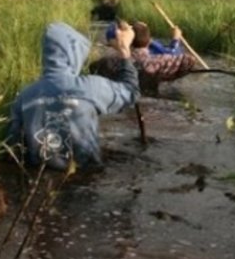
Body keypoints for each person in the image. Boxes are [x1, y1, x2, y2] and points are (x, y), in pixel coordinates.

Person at [8, 21, 139, 171]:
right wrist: (124, 51)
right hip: (87, 178)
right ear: (74, 53)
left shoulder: (24, 96)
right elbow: (131, 92)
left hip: (40, 176)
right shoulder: (90, 87)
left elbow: (14, 147)